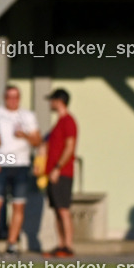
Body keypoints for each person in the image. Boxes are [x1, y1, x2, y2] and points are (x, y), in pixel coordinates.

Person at [0, 86, 40, 257]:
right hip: (0, 163)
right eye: (9, 97)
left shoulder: (27, 116)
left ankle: (11, 243)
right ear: (4, 98)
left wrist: (25, 135)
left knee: (18, 205)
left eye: (15, 97)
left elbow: (37, 140)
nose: (12, 100)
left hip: (21, 164)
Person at [39, 89, 77, 258]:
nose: (50, 104)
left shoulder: (69, 121)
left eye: (52, 100)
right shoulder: (58, 123)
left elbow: (70, 147)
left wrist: (57, 168)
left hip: (62, 173)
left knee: (63, 209)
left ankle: (68, 245)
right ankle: (60, 244)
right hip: (52, 173)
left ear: (59, 101)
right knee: (56, 209)